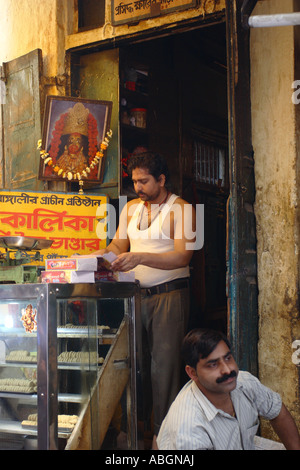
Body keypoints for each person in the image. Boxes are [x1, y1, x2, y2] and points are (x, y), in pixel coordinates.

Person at [94, 151, 196, 443]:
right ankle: (135, 435)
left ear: (161, 180)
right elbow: (117, 244)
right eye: (134, 180)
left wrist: (140, 256)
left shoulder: (184, 210)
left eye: (144, 181)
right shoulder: (130, 209)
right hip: (135, 296)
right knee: (133, 365)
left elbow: (182, 256)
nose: (138, 187)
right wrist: (98, 258)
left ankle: (164, 438)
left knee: (164, 370)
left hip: (169, 296)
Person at [156, 328, 300, 450]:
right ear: (192, 373)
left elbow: (277, 412)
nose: (227, 369)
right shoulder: (189, 428)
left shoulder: (244, 382)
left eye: (228, 358)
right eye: (213, 364)